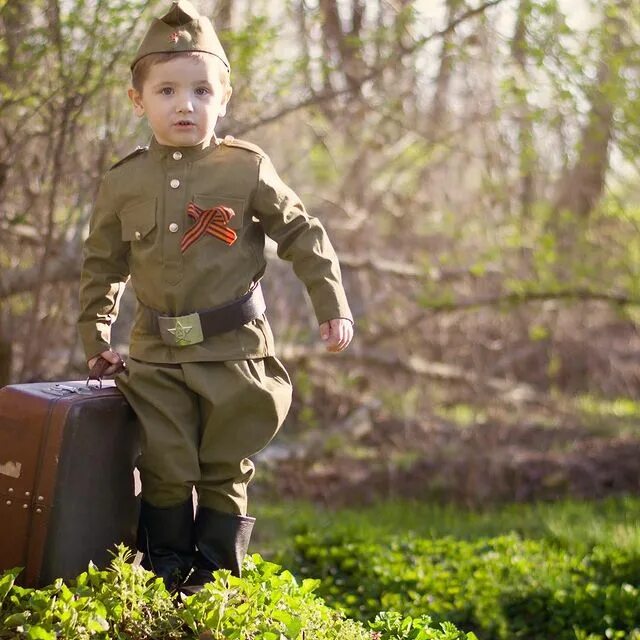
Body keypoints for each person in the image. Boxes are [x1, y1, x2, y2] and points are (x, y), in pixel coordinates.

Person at [78, 0, 353, 595]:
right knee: (166, 465)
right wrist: (95, 337)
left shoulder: (245, 168)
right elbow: (103, 266)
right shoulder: (123, 182)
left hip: (234, 353)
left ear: (223, 99)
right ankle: (166, 572)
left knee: (226, 466)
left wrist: (331, 305)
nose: (186, 104)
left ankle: (218, 577)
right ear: (139, 100)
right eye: (169, 90)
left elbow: (302, 233)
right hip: (154, 355)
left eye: (202, 91)